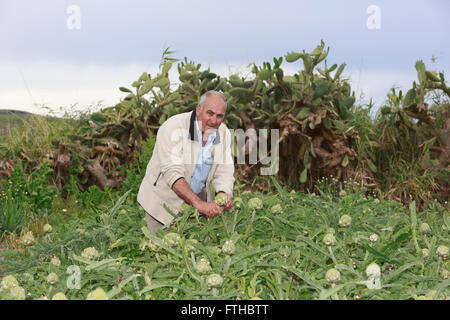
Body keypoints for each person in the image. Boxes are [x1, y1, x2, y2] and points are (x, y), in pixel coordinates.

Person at [137, 90, 235, 235]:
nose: (214, 121)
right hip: (164, 200)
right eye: (210, 113)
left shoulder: (224, 133)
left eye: (219, 116)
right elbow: (173, 173)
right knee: (163, 251)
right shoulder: (173, 127)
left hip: (199, 200)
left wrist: (223, 192)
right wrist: (199, 204)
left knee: (198, 251)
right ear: (198, 109)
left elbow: (224, 169)